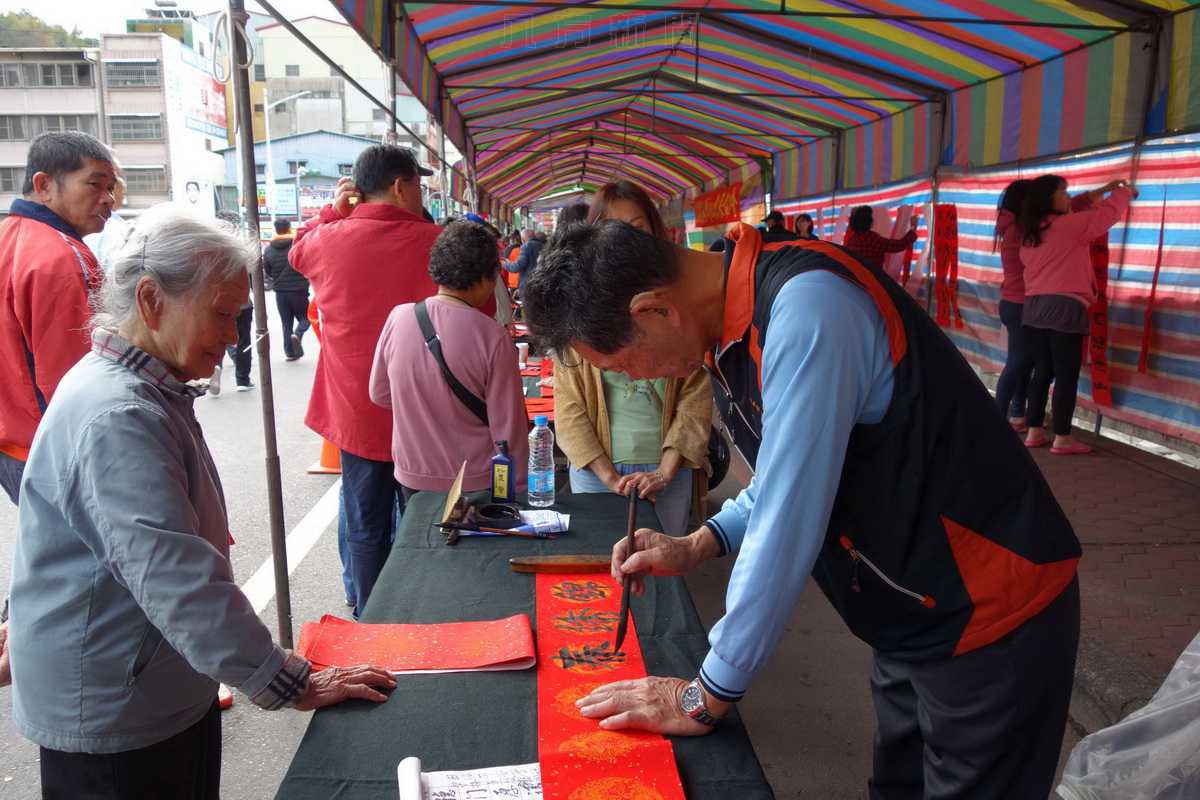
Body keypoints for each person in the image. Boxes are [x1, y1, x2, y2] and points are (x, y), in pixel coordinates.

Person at [522, 219, 1083, 799]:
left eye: (621, 367)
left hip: (991, 611)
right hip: (913, 609)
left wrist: (706, 694)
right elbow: (790, 473)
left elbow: (790, 518)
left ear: (655, 311)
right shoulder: (731, 327)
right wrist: (699, 542)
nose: (635, 379)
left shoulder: (808, 309)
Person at [6, 207, 393, 797]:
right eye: (221, 314)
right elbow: (180, 583)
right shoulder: (120, 413)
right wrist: (290, 681)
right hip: (118, 705)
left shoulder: (137, 387)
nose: (234, 335)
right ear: (151, 299)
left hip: (146, 683)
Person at [290, 144, 438, 616]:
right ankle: (425, 604)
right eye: (418, 184)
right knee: (428, 517)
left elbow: (295, 251)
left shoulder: (326, 240)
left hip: (357, 412)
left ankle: (371, 615)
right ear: (401, 185)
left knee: (364, 521)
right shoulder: (437, 243)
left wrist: (334, 210)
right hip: (429, 410)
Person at [550, 181, 711, 536]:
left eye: (637, 228)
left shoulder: (679, 300)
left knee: (663, 568)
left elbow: (696, 391)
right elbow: (569, 406)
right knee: (604, 572)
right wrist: (609, 477)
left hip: (669, 470)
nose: (627, 241)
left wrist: (665, 470)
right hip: (596, 473)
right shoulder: (581, 307)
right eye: (614, 229)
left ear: (655, 230)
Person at [369, 220, 529, 495]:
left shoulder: (399, 317)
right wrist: (516, 489)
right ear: (485, 278)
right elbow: (509, 431)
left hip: (411, 473)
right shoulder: (492, 337)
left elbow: (380, 394)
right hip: (474, 481)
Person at [1018, 175, 1135, 454]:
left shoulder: (1031, 233)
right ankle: (1062, 438)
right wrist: (1125, 193)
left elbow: (1079, 207)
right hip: (1065, 308)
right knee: (1066, 375)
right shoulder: (1068, 227)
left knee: (1042, 373)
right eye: (1063, 192)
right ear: (1049, 199)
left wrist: (1101, 191)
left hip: (1033, 309)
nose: (1068, 197)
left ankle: (1034, 432)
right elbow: (1106, 216)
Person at [993, 180, 1034, 430]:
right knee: (1019, 361)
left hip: (1013, 301)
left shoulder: (1010, 226)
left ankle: (1017, 414)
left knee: (1023, 361)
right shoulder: (1019, 230)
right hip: (1020, 303)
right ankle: (998, 417)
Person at [263, 218, 311, 361]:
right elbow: (306, 264)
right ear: (289, 228)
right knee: (306, 318)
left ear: (276, 229)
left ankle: (290, 353)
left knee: (286, 323)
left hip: (281, 292)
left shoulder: (269, 249)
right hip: (299, 290)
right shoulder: (297, 246)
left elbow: (268, 271)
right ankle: (298, 333)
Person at [843, 205, 917, 269]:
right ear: (869, 222)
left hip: (857, 279)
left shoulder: (852, 240)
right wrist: (913, 229)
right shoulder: (872, 239)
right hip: (872, 278)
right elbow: (898, 246)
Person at [502, 228, 543, 295]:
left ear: (523, 239)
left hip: (527, 285)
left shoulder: (526, 246)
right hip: (539, 284)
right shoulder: (541, 245)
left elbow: (517, 267)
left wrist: (504, 264)